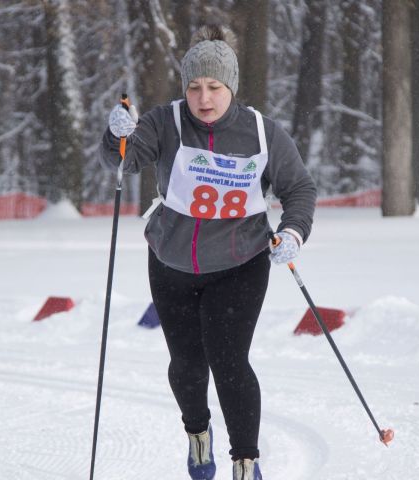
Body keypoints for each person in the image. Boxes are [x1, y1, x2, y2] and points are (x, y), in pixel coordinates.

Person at [101, 25, 317, 480]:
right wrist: (116, 134)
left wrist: (293, 232)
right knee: (187, 365)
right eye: (195, 87)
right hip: (171, 261)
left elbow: (298, 188)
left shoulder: (261, 132)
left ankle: (245, 460)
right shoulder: (166, 122)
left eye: (214, 87)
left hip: (239, 264)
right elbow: (122, 160)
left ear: (231, 88)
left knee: (230, 361)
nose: (204, 97)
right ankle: (198, 433)